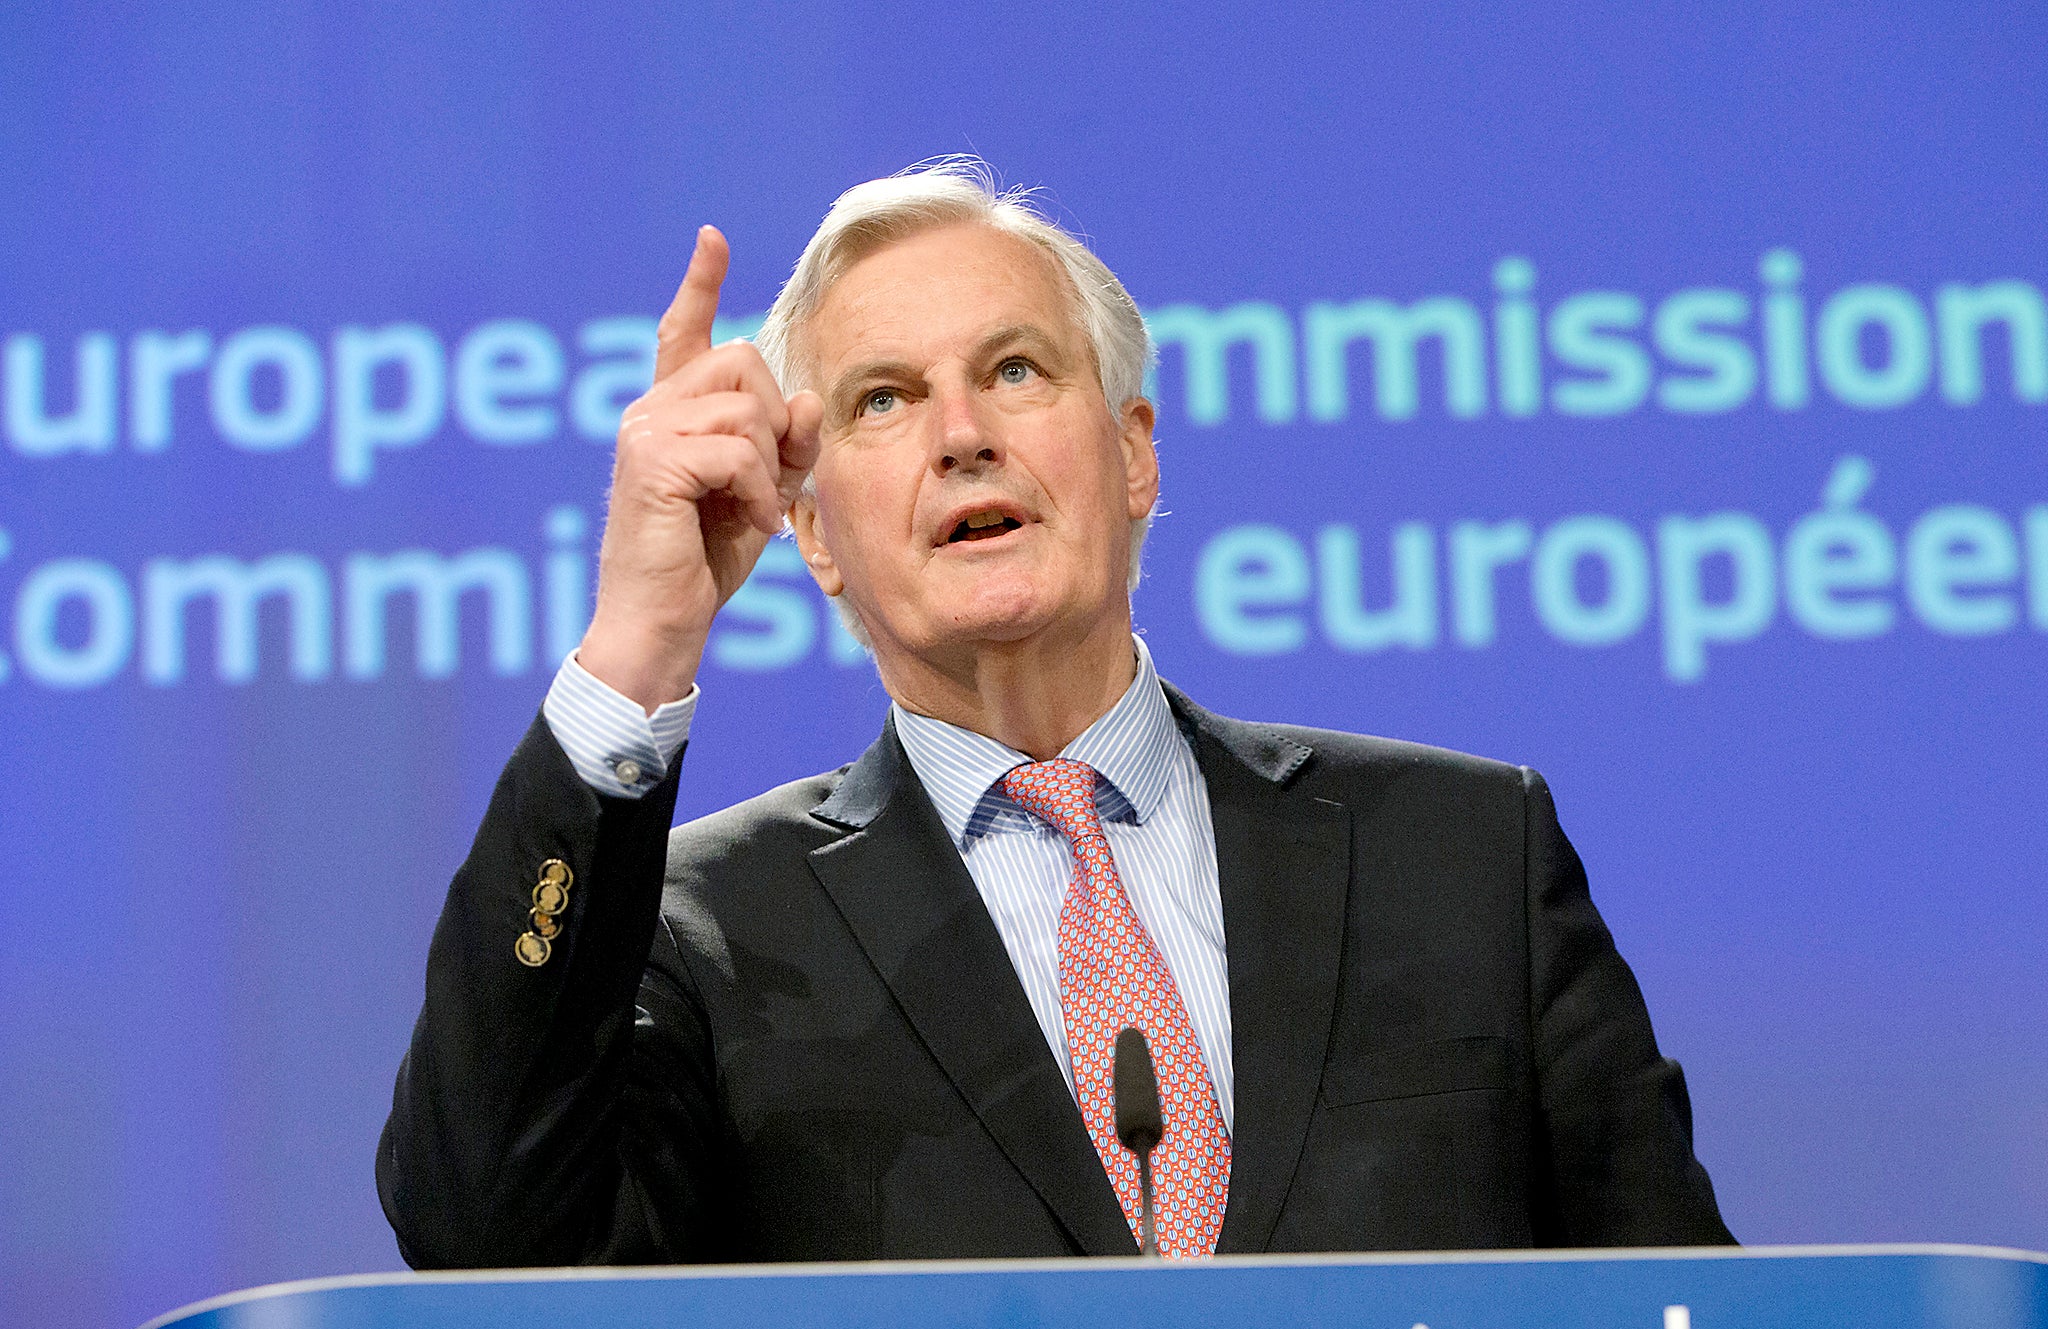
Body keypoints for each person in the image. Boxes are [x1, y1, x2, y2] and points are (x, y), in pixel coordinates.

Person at [378, 161, 1732, 1267]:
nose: (963, 433)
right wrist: (638, 645)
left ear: (1133, 451)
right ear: (812, 532)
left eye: (1016, 370)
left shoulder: (1467, 856)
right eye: (885, 399)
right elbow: (487, 1231)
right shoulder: (703, 935)